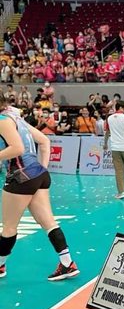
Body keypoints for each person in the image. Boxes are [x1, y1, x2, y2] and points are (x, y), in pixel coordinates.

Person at [0, 97, 79, 280]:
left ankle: (0, 266)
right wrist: (40, 171)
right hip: (39, 175)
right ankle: (67, 263)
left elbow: (17, 149)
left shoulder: (3, 121)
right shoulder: (15, 117)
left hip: (20, 176)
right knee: (48, 222)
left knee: (9, 227)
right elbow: (44, 141)